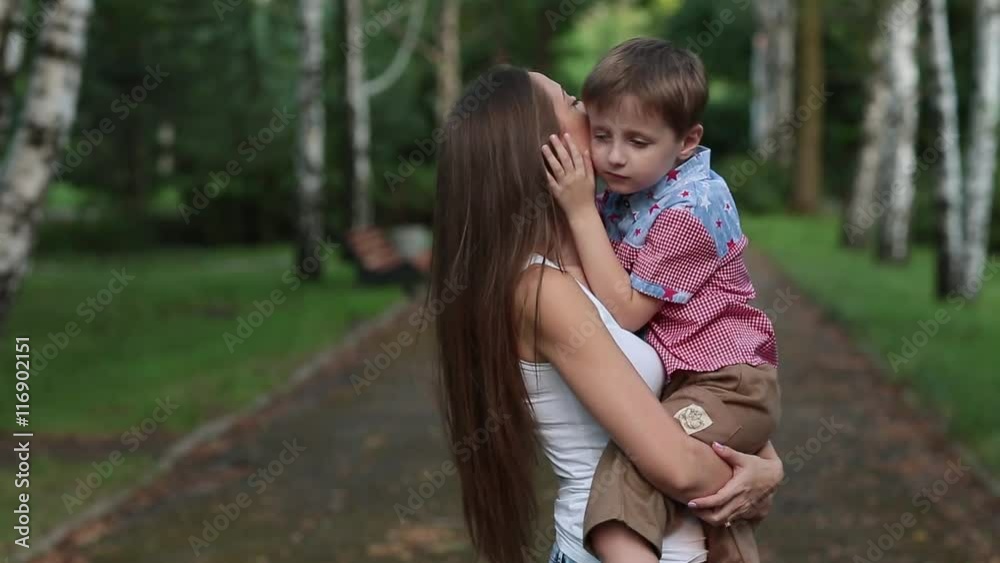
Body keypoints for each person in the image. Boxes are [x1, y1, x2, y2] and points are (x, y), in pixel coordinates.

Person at [429, 64, 784, 563]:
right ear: (543, 146)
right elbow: (679, 469)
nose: (592, 112)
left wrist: (766, 466)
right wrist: (758, 480)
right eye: (572, 103)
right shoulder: (542, 291)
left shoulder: (603, 252)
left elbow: (695, 399)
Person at [540, 38, 781, 563]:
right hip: (699, 385)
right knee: (705, 505)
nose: (613, 155)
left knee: (637, 465)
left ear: (688, 140)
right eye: (601, 134)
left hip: (725, 382)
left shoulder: (689, 209)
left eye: (637, 140)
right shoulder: (632, 188)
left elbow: (626, 311)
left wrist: (580, 211)